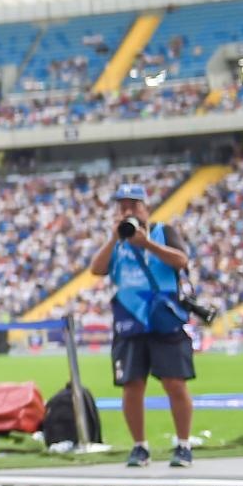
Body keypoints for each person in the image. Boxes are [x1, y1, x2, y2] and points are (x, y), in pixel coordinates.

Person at [86, 182, 196, 467]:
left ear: (146, 208)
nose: (128, 211)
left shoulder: (163, 232)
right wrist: (115, 238)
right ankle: (140, 447)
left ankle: (183, 445)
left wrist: (146, 243)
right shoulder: (116, 241)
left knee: (175, 383)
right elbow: (96, 269)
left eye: (133, 206)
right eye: (122, 207)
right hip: (129, 320)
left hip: (164, 319)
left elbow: (181, 260)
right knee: (132, 385)